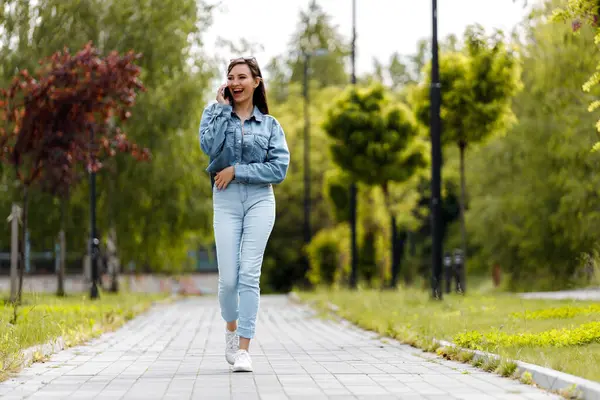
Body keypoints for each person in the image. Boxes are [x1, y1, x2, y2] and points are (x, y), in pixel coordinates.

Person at [198, 57, 290, 372]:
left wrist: (237, 170)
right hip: (225, 200)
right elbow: (209, 148)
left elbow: (278, 169)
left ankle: (244, 350)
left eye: (242, 77)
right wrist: (222, 110)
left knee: (250, 275)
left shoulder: (270, 125)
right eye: (230, 77)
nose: (235, 83)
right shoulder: (213, 113)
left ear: (256, 82)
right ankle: (231, 328)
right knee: (228, 281)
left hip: (260, 201)